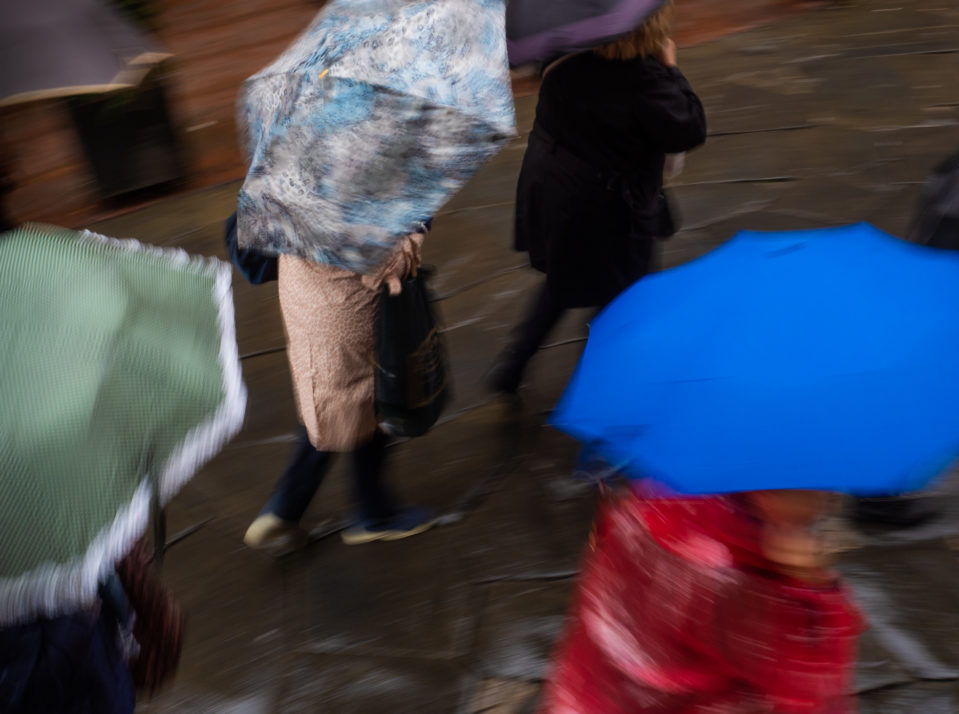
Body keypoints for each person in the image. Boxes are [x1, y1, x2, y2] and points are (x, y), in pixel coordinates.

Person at [487, 4, 707, 394]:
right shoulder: (643, 77)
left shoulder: (562, 58)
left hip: (559, 193)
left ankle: (512, 364)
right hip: (610, 209)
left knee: (564, 277)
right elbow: (687, 128)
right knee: (620, 299)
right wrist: (672, 67)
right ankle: (601, 395)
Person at [539, 486, 862, 713]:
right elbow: (812, 694)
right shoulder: (746, 580)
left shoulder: (651, 501)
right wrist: (811, 588)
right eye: (814, 485)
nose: (827, 499)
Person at [244, 228, 437, 555]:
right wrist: (415, 233)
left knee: (332, 404)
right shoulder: (353, 193)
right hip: (348, 315)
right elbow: (389, 266)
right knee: (367, 404)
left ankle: (289, 508)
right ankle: (372, 513)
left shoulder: (290, 187)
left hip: (306, 302)